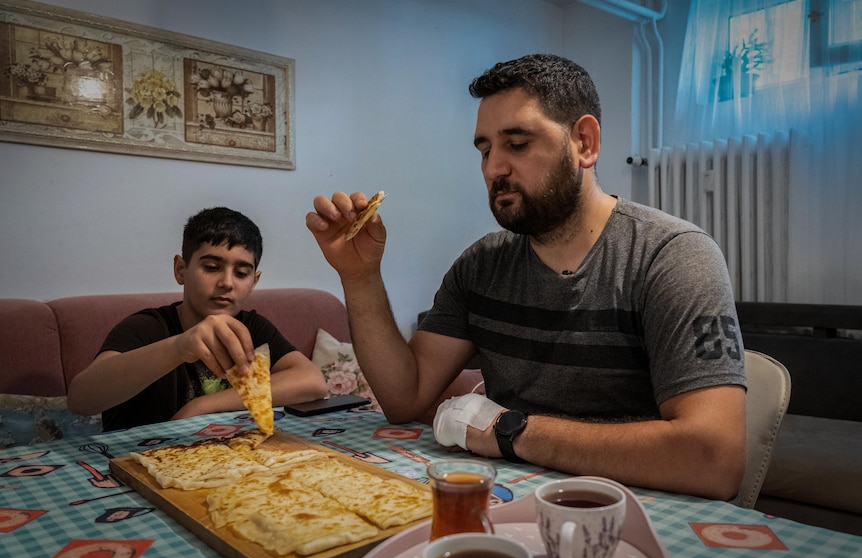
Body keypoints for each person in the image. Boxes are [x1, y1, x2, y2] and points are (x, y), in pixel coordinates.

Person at [306, 54, 747, 500]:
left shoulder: (672, 256)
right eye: (484, 150)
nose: (494, 168)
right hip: (511, 501)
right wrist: (360, 276)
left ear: (585, 143)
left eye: (517, 144)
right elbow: (404, 398)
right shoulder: (481, 266)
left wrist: (506, 430)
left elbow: (714, 458)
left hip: (633, 514)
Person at [68, 207, 327, 431]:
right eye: (212, 268)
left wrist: (203, 405)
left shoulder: (251, 327)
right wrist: (180, 346)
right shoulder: (146, 327)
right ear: (181, 269)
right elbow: (81, 399)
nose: (226, 283)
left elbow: (312, 381)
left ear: (254, 281)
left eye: (241, 273)